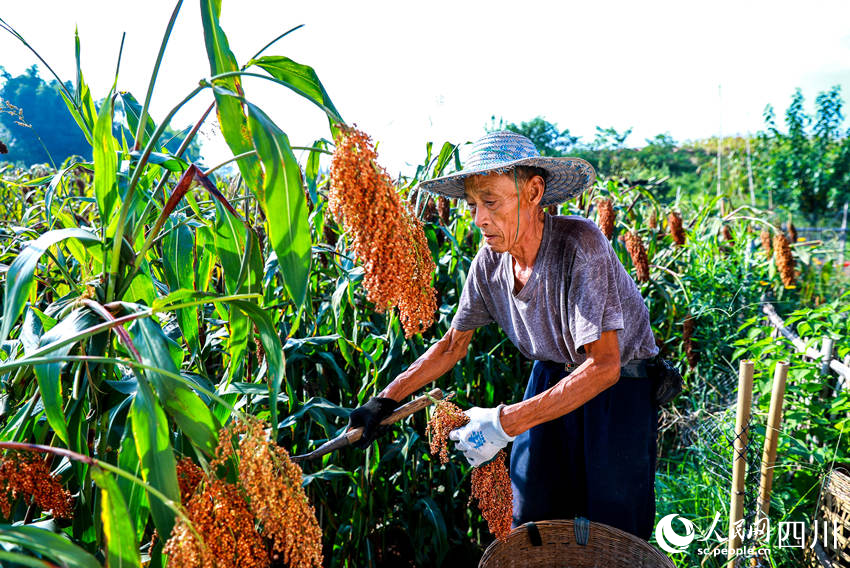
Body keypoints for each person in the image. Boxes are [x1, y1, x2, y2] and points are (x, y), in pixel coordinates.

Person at [347, 130, 660, 540]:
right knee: (534, 516)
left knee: (611, 527)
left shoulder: (581, 244)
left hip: (618, 392)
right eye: (473, 205)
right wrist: (384, 399)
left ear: (533, 192)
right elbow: (452, 345)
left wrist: (503, 423)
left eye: (490, 202)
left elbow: (604, 366)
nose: (478, 219)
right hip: (552, 378)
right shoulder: (489, 263)